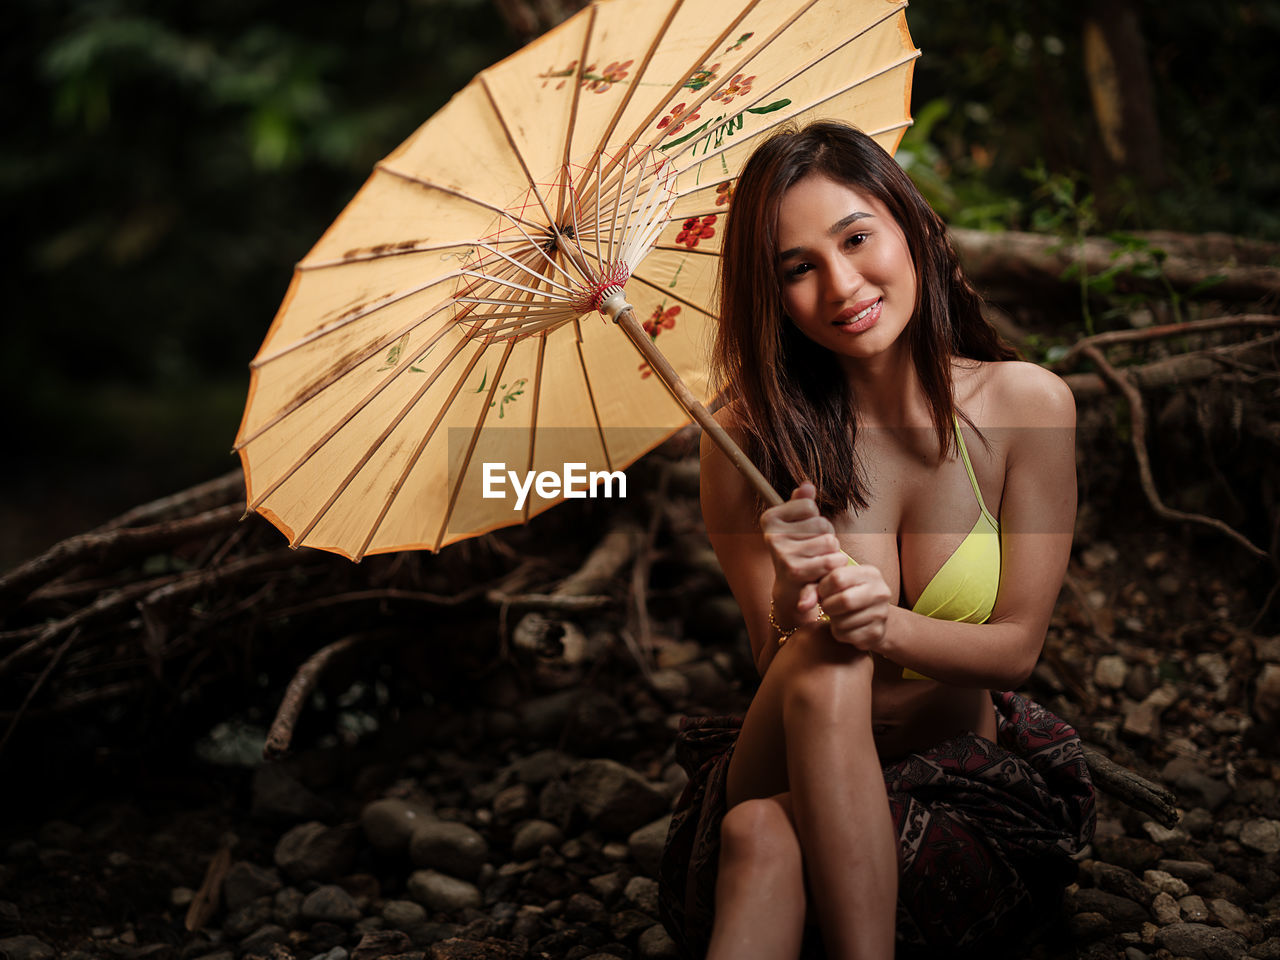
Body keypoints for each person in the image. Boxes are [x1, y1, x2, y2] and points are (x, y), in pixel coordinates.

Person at [658, 121, 1096, 959]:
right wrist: (795, 598)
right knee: (823, 663)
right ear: (772, 294)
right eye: (798, 268)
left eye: (857, 238)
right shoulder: (746, 440)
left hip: (954, 767)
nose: (842, 284)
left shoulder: (1027, 408)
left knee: (760, 836)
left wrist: (884, 624)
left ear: (913, 229)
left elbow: (1014, 653)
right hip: (789, 752)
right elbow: (769, 657)